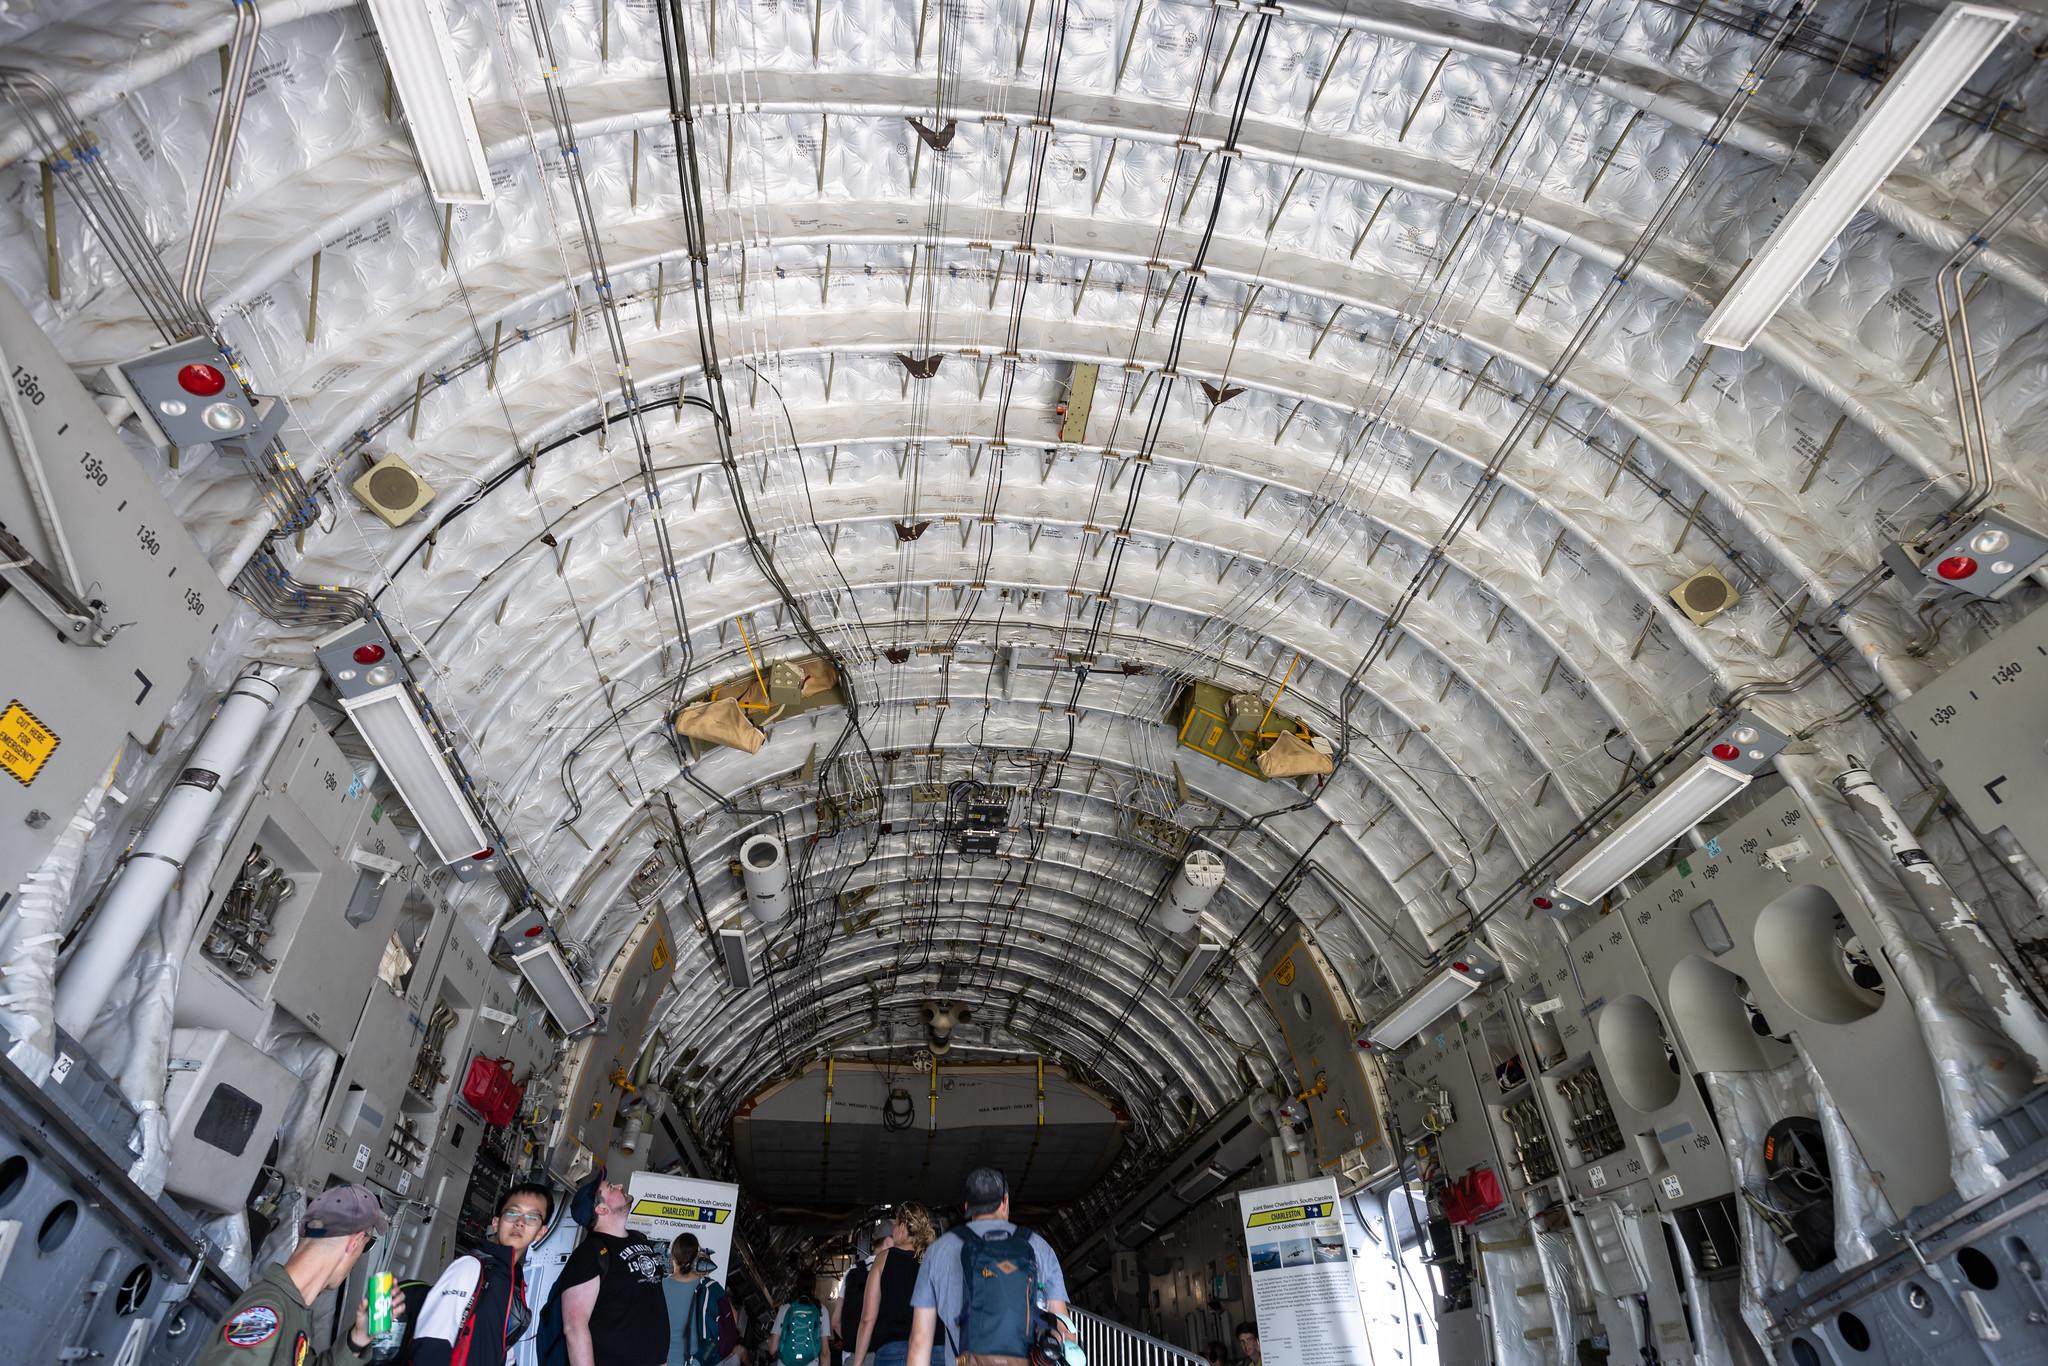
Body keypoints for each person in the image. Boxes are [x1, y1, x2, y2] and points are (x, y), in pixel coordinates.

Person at [197, 1184, 392, 1366]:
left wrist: (355, 1341)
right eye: (367, 1244)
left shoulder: (292, 1312)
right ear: (355, 1242)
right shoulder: (266, 1315)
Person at [906, 1169, 1067, 1366]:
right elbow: (1062, 1328)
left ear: (967, 1207)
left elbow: (920, 1341)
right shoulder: (1038, 1246)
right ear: (1005, 1201)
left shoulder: (938, 1251)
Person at [410, 1183, 553, 1366]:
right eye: (512, 1213)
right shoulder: (471, 1266)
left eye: (532, 1217)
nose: (520, 1222)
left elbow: (500, 1349)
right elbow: (432, 1340)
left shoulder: (513, 1283)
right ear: (496, 1222)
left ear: (541, 1232)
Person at [557, 1171, 669, 1366]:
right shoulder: (588, 1254)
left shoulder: (639, 1239)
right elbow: (574, 1326)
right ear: (601, 1209)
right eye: (610, 1187)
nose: (619, 1186)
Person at [849, 1205, 932, 1366]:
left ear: (902, 1227)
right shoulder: (932, 1260)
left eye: (895, 1224)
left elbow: (867, 1318)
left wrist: (857, 1362)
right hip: (929, 1349)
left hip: (893, 1350)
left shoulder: (883, 1259)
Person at [665, 1232, 740, 1366]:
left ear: (673, 1257)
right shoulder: (711, 1288)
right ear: (697, 1258)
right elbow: (733, 1319)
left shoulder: (660, 1287)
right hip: (699, 1361)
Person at [835, 1216, 894, 1359]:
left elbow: (835, 1321)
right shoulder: (892, 1271)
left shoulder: (852, 1271)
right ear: (888, 1242)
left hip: (852, 1355)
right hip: (883, 1354)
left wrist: (854, 1343)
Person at [765, 1271, 828, 1366]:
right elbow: (825, 1353)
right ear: (814, 1288)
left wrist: (767, 1338)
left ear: (796, 1286)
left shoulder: (785, 1309)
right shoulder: (821, 1310)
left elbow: (772, 1349)